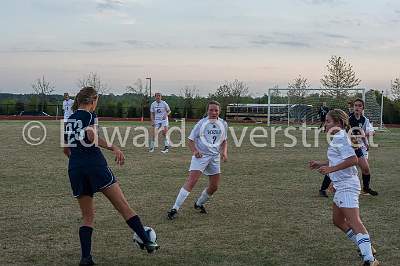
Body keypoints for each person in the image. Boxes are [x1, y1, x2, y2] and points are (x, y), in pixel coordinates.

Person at [63, 87, 159, 266]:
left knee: (87, 217)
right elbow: (91, 136)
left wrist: (80, 161)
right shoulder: (90, 116)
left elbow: (66, 149)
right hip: (95, 166)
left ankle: (86, 258)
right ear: (93, 101)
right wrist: (113, 147)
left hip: (75, 169)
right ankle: (148, 241)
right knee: (123, 206)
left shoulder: (68, 120)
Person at [309, 109, 379, 266]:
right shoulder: (338, 138)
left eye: (328, 121)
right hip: (342, 185)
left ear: (338, 123)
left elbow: (353, 160)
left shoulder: (340, 137)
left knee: (354, 222)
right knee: (338, 220)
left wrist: (330, 171)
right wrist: (321, 164)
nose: (325, 124)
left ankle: (370, 259)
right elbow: (339, 159)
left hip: (348, 185)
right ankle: (366, 247)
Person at [167, 100, 228, 219]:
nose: (214, 112)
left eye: (216, 110)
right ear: (207, 111)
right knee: (191, 182)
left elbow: (224, 141)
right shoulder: (201, 124)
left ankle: (199, 203)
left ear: (219, 111)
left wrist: (224, 152)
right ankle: (174, 208)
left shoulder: (223, 124)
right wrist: (195, 151)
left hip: (214, 157)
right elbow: (190, 140)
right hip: (201, 156)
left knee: (214, 187)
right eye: (211, 110)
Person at [319, 99, 378, 196]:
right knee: (336, 164)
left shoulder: (365, 120)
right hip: (348, 145)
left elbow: (371, 132)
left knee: (366, 168)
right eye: (355, 105)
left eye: (359, 106)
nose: (357, 108)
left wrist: (365, 140)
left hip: (356, 146)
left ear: (363, 108)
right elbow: (345, 132)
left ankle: (366, 188)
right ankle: (323, 188)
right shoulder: (347, 118)